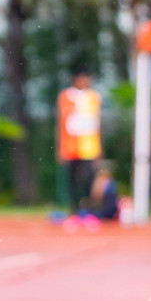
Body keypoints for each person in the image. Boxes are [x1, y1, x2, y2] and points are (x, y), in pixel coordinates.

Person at [56, 69, 102, 227]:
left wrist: (99, 148)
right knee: (72, 180)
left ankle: (87, 211)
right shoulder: (66, 96)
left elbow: (97, 123)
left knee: (88, 179)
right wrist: (60, 148)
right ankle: (73, 211)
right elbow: (61, 123)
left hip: (89, 147)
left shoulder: (93, 97)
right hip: (71, 147)